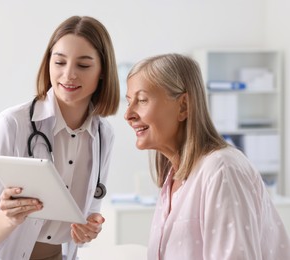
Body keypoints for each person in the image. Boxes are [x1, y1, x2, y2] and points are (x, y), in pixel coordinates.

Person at [0, 15, 119, 260]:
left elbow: (91, 212)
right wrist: (7, 217)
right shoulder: (13, 125)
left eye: (83, 65)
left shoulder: (103, 135)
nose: (68, 75)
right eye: (59, 62)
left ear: (103, 71)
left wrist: (88, 229)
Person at [123, 53, 290, 259]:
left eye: (141, 100)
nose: (128, 114)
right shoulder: (174, 178)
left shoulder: (222, 169)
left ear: (183, 106)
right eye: (129, 101)